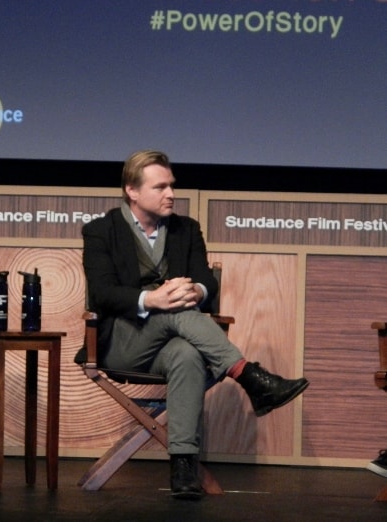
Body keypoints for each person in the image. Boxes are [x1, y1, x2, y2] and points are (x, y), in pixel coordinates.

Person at [81, 149, 309, 500]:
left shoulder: (186, 230)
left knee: (187, 354)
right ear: (132, 190)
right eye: (160, 187)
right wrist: (152, 299)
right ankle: (249, 376)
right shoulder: (101, 231)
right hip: (123, 344)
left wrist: (195, 289)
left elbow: (207, 283)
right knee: (172, 302)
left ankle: (183, 466)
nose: (171, 194)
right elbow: (102, 294)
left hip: (168, 344)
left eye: (171, 186)